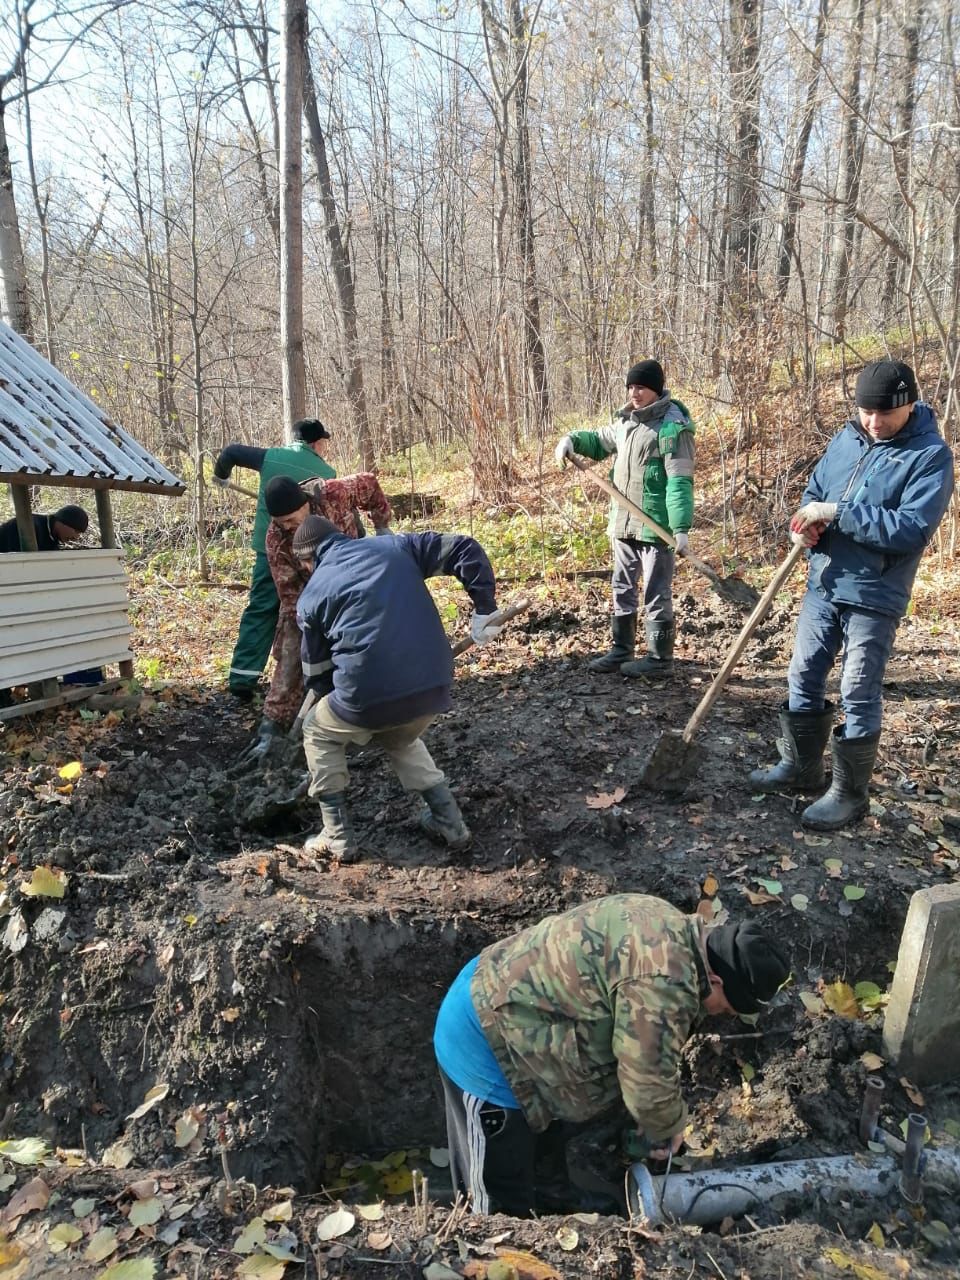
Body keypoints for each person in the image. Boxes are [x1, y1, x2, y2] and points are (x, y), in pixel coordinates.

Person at [433, 895, 789, 1217]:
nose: (720, 1015)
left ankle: (553, 1199)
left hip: (527, 1011)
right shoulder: (664, 982)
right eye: (725, 1008)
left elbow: (643, 1047)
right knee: (498, 1203)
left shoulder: (671, 923)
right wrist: (669, 1125)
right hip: (484, 1036)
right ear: (717, 980)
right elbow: (647, 1085)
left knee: (547, 1136)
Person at [749, 360, 955, 830]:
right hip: (823, 580)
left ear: (908, 405)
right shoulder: (846, 439)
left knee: (857, 691)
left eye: (884, 414)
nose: (874, 422)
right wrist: (806, 520)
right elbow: (815, 490)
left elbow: (911, 529)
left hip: (874, 593)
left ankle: (849, 793)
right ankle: (800, 767)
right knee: (803, 671)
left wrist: (839, 513)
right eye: (866, 412)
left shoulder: (930, 456)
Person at [292, 514, 502, 863]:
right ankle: (450, 823)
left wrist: (348, 716)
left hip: (367, 694)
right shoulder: (396, 546)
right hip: (433, 685)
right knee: (400, 737)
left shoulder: (311, 595)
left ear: (309, 559)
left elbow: (317, 675)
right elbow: (464, 547)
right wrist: (485, 609)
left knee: (317, 731)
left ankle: (336, 835)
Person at [555, 359, 695, 677]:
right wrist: (573, 440)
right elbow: (600, 441)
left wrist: (681, 527)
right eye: (631, 386)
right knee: (622, 585)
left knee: (656, 591)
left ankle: (660, 661)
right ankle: (621, 651)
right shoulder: (625, 421)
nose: (634, 392)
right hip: (624, 521)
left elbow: (680, 481)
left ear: (655, 390)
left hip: (656, 525)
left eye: (641, 387)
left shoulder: (672, 427)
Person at [242, 473, 394, 760]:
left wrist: (383, 527)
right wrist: (310, 633)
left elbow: (371, 485)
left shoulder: (335, 493)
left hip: (357, 576)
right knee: (292, 643)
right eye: (280, 522)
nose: (287, 527)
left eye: (291, 519)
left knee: (365, 641)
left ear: (305, 504)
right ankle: (273, 725)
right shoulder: (276, 541)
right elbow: (290, 600)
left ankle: (375, 702)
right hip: (311, 594)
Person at [212, 419, 337, 701]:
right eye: (323, 443)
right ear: (316, 443)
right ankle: (314, 677)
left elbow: (231, 451)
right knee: (309, 612)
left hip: (268, 550)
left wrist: (221, 476)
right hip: (309, 552)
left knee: (261, 608)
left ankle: (243, 678)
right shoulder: (328, 472)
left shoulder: (271, 457)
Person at [0, 504, 89, 552]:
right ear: (62, 522)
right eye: (76, 531)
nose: (76, 537)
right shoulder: (31, 527)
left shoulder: (53, 538)